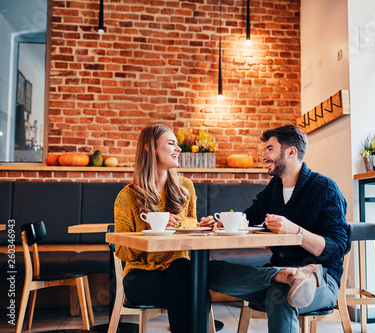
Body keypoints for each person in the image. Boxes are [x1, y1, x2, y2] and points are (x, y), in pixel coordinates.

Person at [208, 125, 349, 333]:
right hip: (275, 272)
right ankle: (285, 275)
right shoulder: (273, 189)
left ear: (291, 152)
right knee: (207, 272)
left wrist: (296, 232)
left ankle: (290, 278)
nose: (264, 155)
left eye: (270, 149)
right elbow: (248, 218)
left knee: (281, 294)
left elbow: (336, 248)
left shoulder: (324, 189)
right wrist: (219, 222)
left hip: (321, 279)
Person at [114, 124, 215, 332]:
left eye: (177, 144)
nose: (178, 148)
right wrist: (152, 229)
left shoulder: (185, 187)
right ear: (149, 148)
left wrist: (201, 226)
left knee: (184, 271)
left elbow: (191, 227)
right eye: (171, 143)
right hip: (141, 275)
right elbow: (122, 251)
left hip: (178, 268)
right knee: (193, 290)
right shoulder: (128, 196)